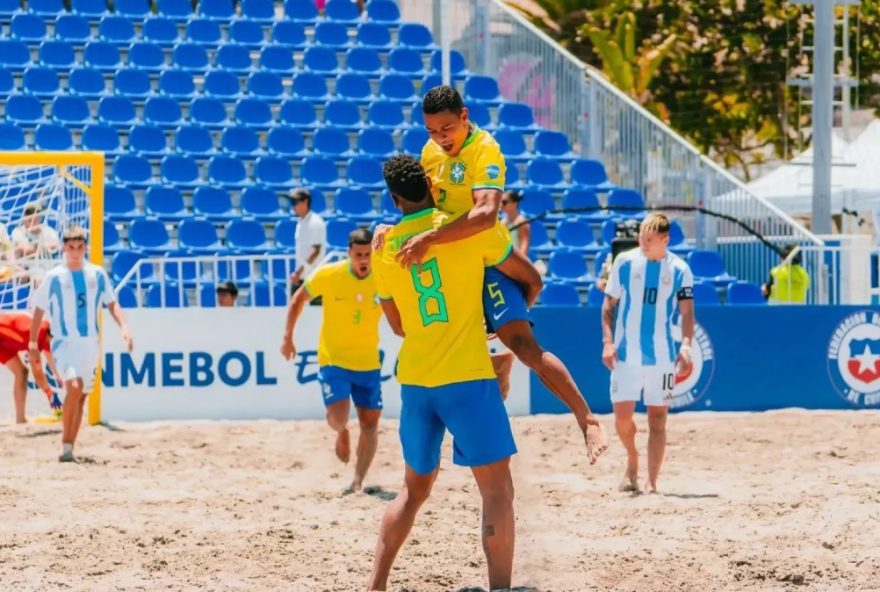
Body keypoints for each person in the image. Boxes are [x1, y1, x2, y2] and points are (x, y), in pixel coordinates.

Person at [376, 85, 607, 462]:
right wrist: (391, 227)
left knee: (523, 344)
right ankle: (494, 362)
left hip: (482, 252)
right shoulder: (430, 152)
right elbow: (420, 205)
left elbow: (484, 217)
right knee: (465, 350)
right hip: (450, 256)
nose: (440, 138)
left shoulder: (486, 150)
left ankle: (587, 419)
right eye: (432, 131)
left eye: (446, 128)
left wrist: (429, 237)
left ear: (465, 117)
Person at [367, 155, 553, 591]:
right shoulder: (469, 230)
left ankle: (376, 585)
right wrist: (498, 314)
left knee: (411, 493)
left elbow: (397, 326)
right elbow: (530, 278)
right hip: (467, 376)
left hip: (415, 379)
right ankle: (500, 589)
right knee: (496, 493)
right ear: (432, 183)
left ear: (394, 199)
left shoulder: (386, 247)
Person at [281, 229, 383, 494]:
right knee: (339, 417)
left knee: (370, 424)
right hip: (334, 359)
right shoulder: (329, 274)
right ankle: (341, 431)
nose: (364, 260)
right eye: (359, 255)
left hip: (369, 362)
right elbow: (298, 299)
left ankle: (358, 480)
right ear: (349, 253)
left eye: (368, 255)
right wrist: (287, 337)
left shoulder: (385, 276)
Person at [601, 213, 695, 494]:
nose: (643, 242)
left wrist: (686, 344)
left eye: (649, 239)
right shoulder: (625, 262)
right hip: (626, 355)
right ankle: (632, 459)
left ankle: (652, 482)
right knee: (621, 419)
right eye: (641, 236)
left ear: (665, 239)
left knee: (658, 419)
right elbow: (608, 306)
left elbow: (687, 311)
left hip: (663, 357)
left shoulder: (679, 269)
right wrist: (608, 341)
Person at [29, 227, 134, 463]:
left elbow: (111, 303)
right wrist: (33, 341)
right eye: (71, 247)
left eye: (79, 247)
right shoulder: (54, 276)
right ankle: (65, 447)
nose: (75, 252)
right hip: (64, 343)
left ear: (84, 247)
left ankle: (70, 447)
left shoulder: (96, 274)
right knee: (73, 388)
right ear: (65, 248)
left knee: (82, 395)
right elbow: (39, 308)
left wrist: (124, 327)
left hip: (90, 344)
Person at [0, 312, 60, 423]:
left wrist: (64, 384)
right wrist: (50, 393)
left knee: (21, 372)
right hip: (3, 334)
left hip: (5, 340)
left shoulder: (46, 334)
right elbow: (37, 372)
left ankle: (20, 419)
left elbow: (54, 366)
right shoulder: (40, 333)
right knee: (22, 372)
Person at [289, 188, 327, 292]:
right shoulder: (301, 222)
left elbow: (315, 251)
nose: (293, 206)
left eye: (295, 202)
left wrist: (298, 272)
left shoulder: (315, 222)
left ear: (305, 201)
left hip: (313, 277)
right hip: (302, 277)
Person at [501, 190, 530, 256]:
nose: (501, 205)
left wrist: (519, 264)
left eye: (504, 202)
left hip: (517, 261)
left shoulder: (521, 222)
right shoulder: (503, 222)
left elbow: (524, 244)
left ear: (515, 203)